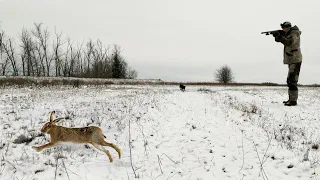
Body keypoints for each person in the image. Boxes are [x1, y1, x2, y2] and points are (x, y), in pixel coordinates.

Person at [273, 21, 302, 106]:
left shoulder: (294, 33)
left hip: (295, 59)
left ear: (288, 27)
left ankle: (293, 101)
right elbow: (281, 40)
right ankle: (291, 99)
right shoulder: (289, 33)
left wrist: (279, 36)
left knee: (292, 80)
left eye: (284, 28)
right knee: (290, 80)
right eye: (282, 28)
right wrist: (278, 36)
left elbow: (288, 42)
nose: (283, 30)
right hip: (292, 59)